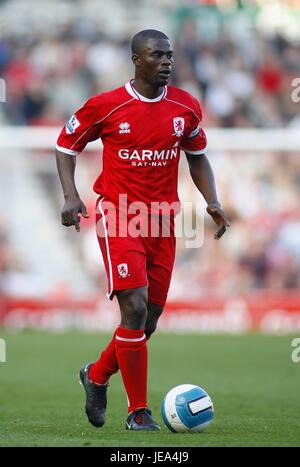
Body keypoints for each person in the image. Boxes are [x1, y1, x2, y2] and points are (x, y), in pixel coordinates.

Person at [55, 29, 230, 431]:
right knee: (133, 308)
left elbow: (197, 156)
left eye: (169, 55)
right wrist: (70, 195)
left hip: (164, 220)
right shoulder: (107, 105)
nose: (166, 62)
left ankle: (96, 375)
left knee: (147, 321)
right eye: (157, 55)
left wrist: (212, 201)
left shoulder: (185, 107)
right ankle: (138, 412)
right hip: (119, 215)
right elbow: (66, 146)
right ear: (137, 59)